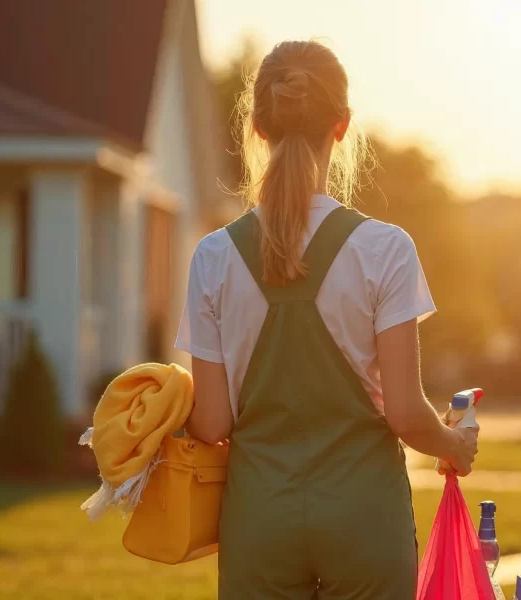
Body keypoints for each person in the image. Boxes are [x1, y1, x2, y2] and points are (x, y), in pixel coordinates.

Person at [175, 39, 478, 600]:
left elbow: (212, 423)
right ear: (342, 126)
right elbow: (407, 414)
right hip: (365, 521)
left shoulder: (212, 257)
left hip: (260, 523)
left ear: (258, 129)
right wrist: (453, 445)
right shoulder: (385, 250)